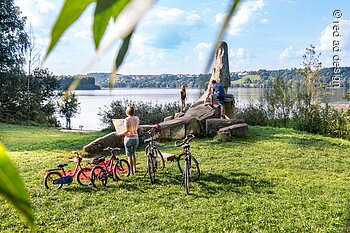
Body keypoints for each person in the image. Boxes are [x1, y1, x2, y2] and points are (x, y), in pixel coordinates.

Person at [116, 106, 139, 175]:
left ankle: (131, 171)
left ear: (127, 112)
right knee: (133, 154)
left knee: (129, 156)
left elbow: (127, 130)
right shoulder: (137, 118)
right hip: (136, 139)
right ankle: (135, 169)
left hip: (129, 139)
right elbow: (136, 128)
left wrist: (120, 133)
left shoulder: (127, 119)